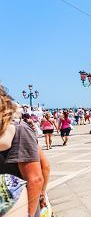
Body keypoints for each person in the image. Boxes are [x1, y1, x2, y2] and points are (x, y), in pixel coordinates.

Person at [0, 85, 51, 217]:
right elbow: (45, 166)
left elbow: (35, 179)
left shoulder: (19, 130)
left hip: (17, 208)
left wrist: (29, 214)